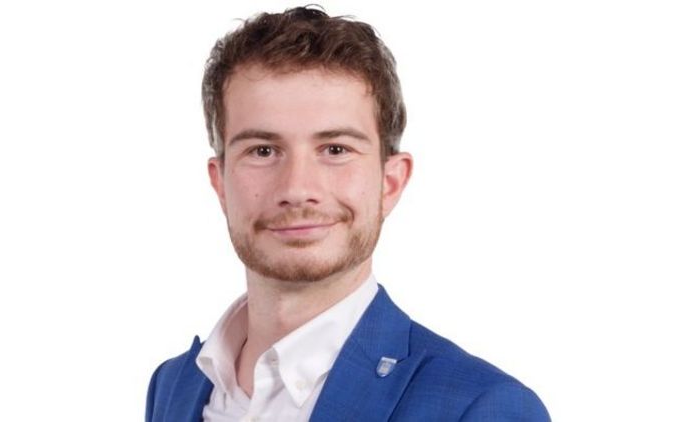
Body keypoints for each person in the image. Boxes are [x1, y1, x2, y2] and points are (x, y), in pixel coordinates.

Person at [146, 6, 550, 421]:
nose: (297, 189)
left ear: (390, 182)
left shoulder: (481, 406)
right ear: (220, 183)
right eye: (262, 151)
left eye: (335, 149)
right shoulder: (174, 385)